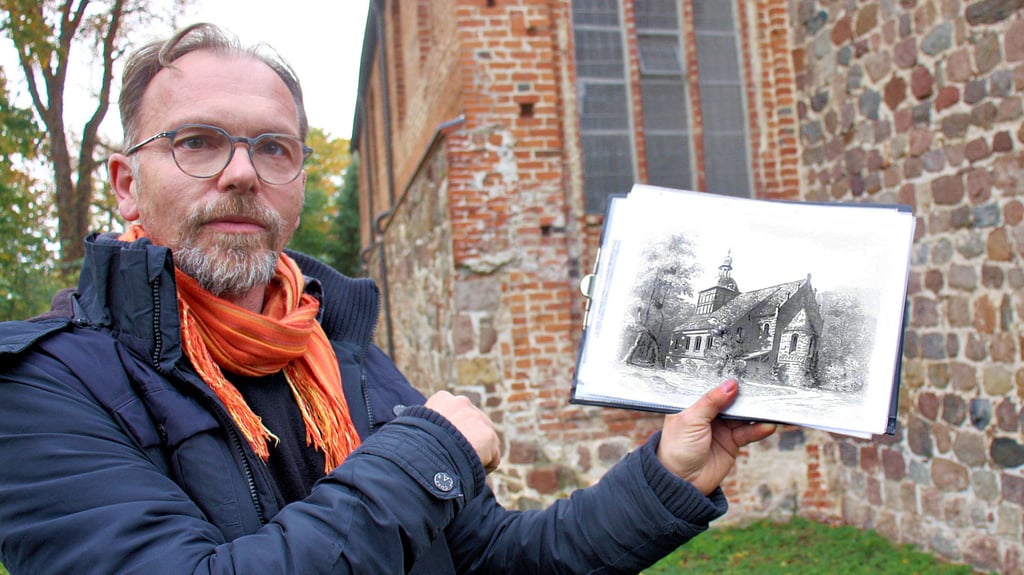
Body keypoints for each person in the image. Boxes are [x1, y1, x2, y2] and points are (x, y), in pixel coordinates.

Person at [0, 23, 776, 575]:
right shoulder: (44, 387)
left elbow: (495, 558)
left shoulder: (342, 354)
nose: (241, 172)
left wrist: (668, 474)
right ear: (127, 185)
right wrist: (428, 453)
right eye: (197, 141)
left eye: (273, 147)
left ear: (298, 182)